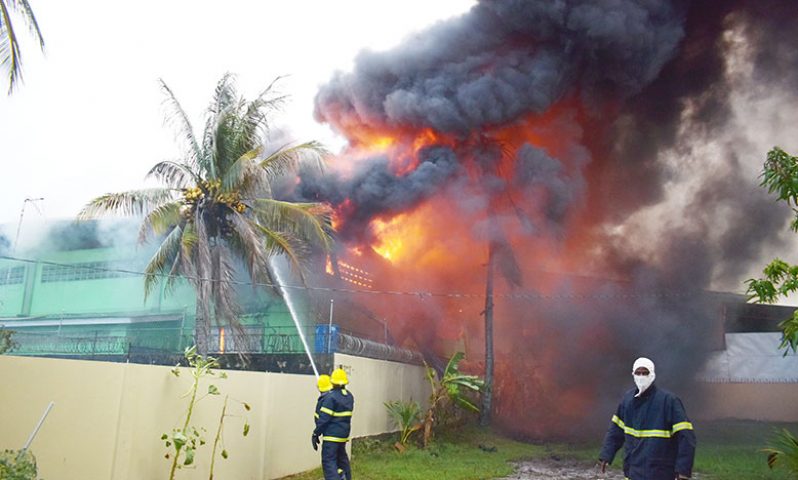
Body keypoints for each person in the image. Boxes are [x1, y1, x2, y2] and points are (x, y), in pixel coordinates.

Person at [598, 357, 696, 480]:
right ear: (633, 374)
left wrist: (683, 470)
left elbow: (686, 437)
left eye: (645, 373)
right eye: (638, 373)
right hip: (633, 471)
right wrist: (606, 455)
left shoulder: (668, 401)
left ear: (652, 374)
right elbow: (615, 431)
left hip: (660, 472)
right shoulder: (627, 401)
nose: (641, 376)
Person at [312, 368, 354, 480]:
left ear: (333, 382)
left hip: (331, 436)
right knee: (342, 459)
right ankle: (346, 477)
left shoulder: (331, 398)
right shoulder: (349, 396)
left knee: (328, 461)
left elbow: (324, 419)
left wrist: (316, 433)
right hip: (343, 436)